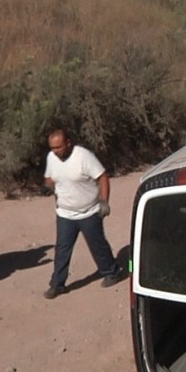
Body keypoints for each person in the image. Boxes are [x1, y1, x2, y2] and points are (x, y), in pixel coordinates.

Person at [43, 128, 126, 299]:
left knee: (98, 245)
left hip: (89, 212)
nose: (55, 151)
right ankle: (57, 285)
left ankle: (112, 272)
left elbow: (102, 177)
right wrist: (48, 185)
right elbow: (49, 178)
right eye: (52, 148)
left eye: (58, 147)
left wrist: (104, 201)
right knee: (62, 249)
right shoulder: (51, 157)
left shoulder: (84, 156)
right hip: (65, 213)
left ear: (68, 143)